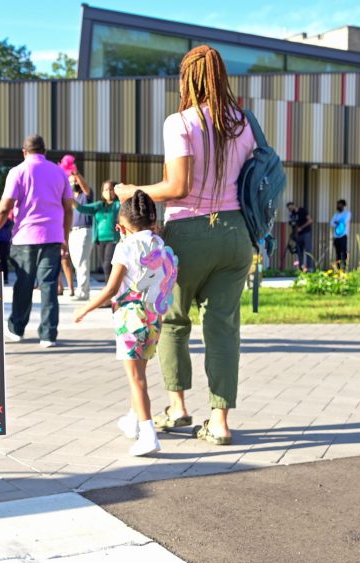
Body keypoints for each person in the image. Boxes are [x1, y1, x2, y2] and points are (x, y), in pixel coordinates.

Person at [115, 45, 256, 446]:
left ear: (187, 79)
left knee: (174, 321)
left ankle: (177, 409)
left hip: (190, 231)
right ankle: (220, 422)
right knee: (224, 328)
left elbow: (178, 187)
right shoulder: (244, 123)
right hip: (236, 233)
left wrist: (131, 189)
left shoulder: (180, 122)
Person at [74, 191, 178, 456]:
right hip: (154, 317)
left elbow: (110, 289)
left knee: (136, 379)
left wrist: (84, 308)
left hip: (130, 319)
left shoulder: (125, 246)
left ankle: (148, 433)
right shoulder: (159, 244)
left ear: (120, 227)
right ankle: (133, 419)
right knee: (140, 374)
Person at [0, 134, 74, 348]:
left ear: (24, 151)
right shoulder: (59, 172)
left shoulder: (18, 171)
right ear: (45, 151)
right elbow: (68, 209)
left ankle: (17, 329)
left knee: (24, 283)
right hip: (53, 237)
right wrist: (64, 237)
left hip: (25, 238)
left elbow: (4, 208)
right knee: (49, 285)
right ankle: (48, 335)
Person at [75, 180, 120, 284]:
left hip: (113, 239)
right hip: (100, 240)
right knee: (104, 264)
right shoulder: (99, 205)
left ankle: (109, 287)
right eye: (105, 189)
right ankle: (110, 286)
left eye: (111, 189)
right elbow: (83, 209)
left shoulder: (118, 205)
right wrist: (72, 201)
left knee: (108, 264)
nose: (108, 192)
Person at [67, 169, 94, 300]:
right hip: (73, 232)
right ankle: (82, 289)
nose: (73, 183)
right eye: (71, 182)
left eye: (75, 181)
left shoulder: (86, 195)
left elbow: (85, 187)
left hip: (84, 230)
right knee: (76, 262)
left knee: (82, 262)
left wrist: (76, 174)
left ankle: (83, 292)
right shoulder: (71, 197)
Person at [287, 201, 313, 271]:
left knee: (308, 250)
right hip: (298, 234)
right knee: (299, 251)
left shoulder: (302, 211)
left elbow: (310, 220)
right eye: (289, 209)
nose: (290, 210)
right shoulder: (292, 214)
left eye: (290, 208)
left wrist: (301, 227)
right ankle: (301, 267)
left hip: (306, 232)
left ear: (294, 205)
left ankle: (310, 268)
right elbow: (293, 224)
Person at [331, 199, 351, 271]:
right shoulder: (336, 214)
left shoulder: (347, 213)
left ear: (343, 205)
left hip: (343, 236)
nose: (338, 206)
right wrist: (338, 222)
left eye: (340, 205)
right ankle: (338, 268)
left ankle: (344, 268)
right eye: (338, 205)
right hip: (336, 236)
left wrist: (338, 222)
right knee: (338, 253)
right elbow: (332, 223)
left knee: (343, 252)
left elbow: (344, 222)